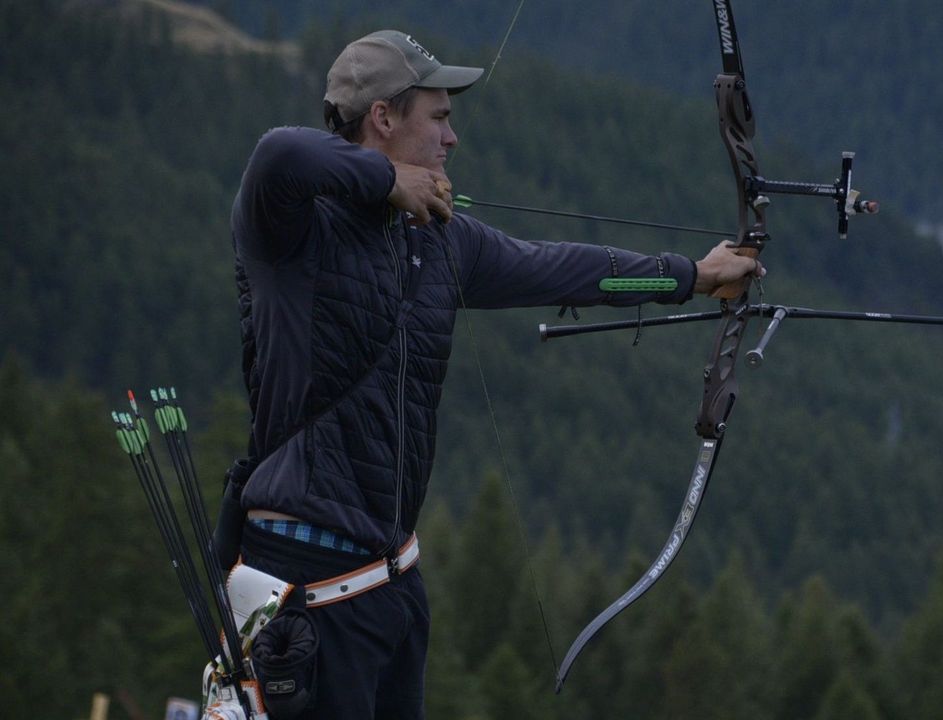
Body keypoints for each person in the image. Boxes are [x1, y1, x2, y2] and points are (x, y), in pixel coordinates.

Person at [225, 29, 762, 719]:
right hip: (305, 590)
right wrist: (389, 180)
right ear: (383, 118)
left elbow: (567, 269)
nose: (452, 140)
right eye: (439, 117)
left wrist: (692, 277)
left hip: (390, 584)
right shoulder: (292, 229)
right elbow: (279, 153)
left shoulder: (438, 238)